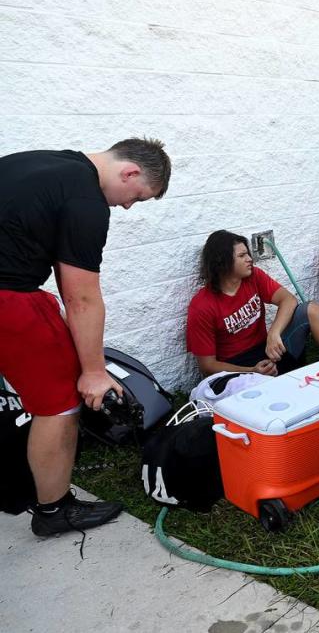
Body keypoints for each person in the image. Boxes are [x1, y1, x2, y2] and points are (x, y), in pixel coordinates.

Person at [0, 138, 171, 536]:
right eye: (138, 198)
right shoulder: (86, 199)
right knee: (59, 403)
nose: (128, 206)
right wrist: (93, 371)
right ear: (130, 172)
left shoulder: (39, 159)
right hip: (9, 296)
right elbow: (80, 297)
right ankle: (53, 510)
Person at [186, 230, 319, 377]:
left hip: (268, 352)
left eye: (248, 254)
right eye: (242, 256)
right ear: (222, 262)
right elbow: (207, 366)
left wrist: (274, 333)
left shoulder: (253, 277)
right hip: (237, 371)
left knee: (310, 309)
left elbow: (288, 299)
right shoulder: (202, 306)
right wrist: (251, 371)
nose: (250, 259)